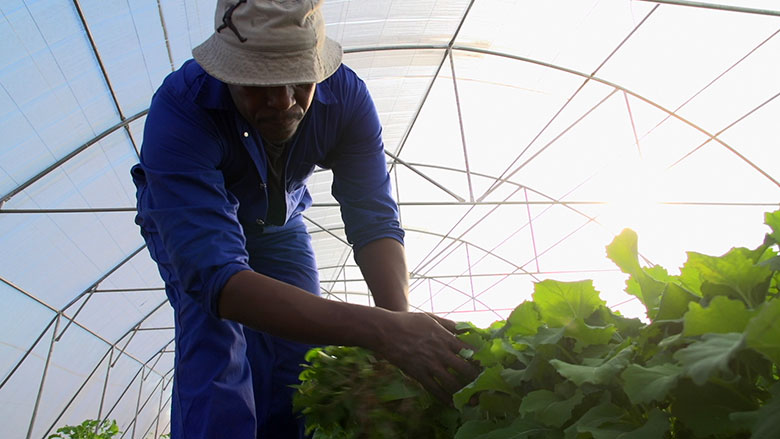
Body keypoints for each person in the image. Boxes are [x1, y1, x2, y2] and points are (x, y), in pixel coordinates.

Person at [130, 1, 478, 438]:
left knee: (301, 359)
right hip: (197, 224)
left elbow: (373, 218)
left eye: (299, 78)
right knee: (217, 345)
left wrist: (400, 327)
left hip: (278, 222)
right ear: (227, 73)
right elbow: (216, 276)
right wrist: (381, 332)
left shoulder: (346, 98)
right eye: (259, 83)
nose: (283, 100)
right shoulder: (183, 109)